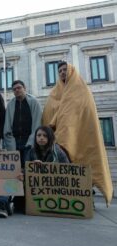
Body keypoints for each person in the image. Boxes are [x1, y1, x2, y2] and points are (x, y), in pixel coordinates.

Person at [42, 61, 113, 206]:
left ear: (71, 72)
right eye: (60, 71)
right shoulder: (55, 93)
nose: (62, 72)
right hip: (58, 140)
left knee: (81, 169)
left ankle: (86, 198)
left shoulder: (81, 90)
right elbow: (49, 114)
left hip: (80, 137)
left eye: (65, 70)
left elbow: (84, 112)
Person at [3, 80, 42, 167]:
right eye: (14, 89)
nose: (17, 90)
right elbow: (7, 125)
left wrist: (32, 141)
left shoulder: (34, 102)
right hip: (14, 142)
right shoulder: (10, 104)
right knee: (16, 169)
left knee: (28, 167)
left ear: (24, 88)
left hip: (29, 141)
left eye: (19, 88)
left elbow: (37, 123)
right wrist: (9, 142)